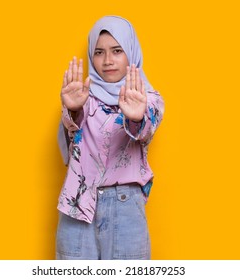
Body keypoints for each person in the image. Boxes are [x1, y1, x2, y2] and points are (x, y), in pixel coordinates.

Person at [56, 15, 164, 260]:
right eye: (99, 52)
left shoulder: (149, 98)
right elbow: (70, 143)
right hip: (77, 206)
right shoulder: (81, 95)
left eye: (117, 51)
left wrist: (136, 118)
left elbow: (145, 131)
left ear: (131, 52)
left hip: (125, 208)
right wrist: (71, 110)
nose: (107, 61)